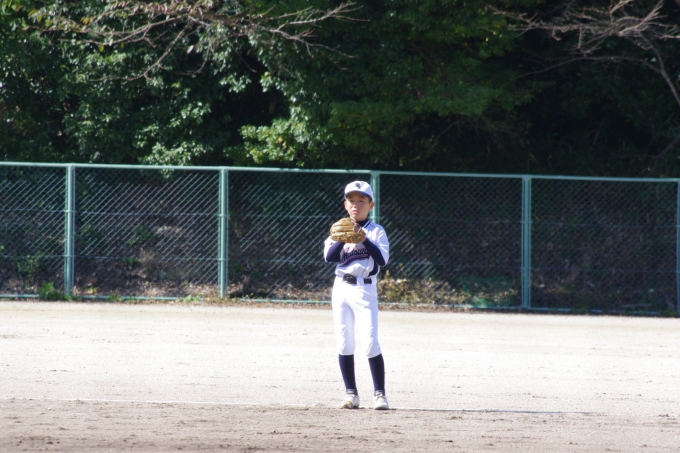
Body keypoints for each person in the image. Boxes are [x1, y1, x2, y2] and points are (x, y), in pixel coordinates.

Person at [323, 181, 390, 410]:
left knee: (370, 343)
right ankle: (351, 394)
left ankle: (379, 394)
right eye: (351, 200)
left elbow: (382, 260)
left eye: (361, 200)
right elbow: (329, 257)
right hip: (341, 287)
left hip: (365, 289)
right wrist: (344, 237)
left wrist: (362, 239)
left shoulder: (376, 231)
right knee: (344, 343)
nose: (356, 205)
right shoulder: (339, 229)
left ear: (370, 205)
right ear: (345, 204)